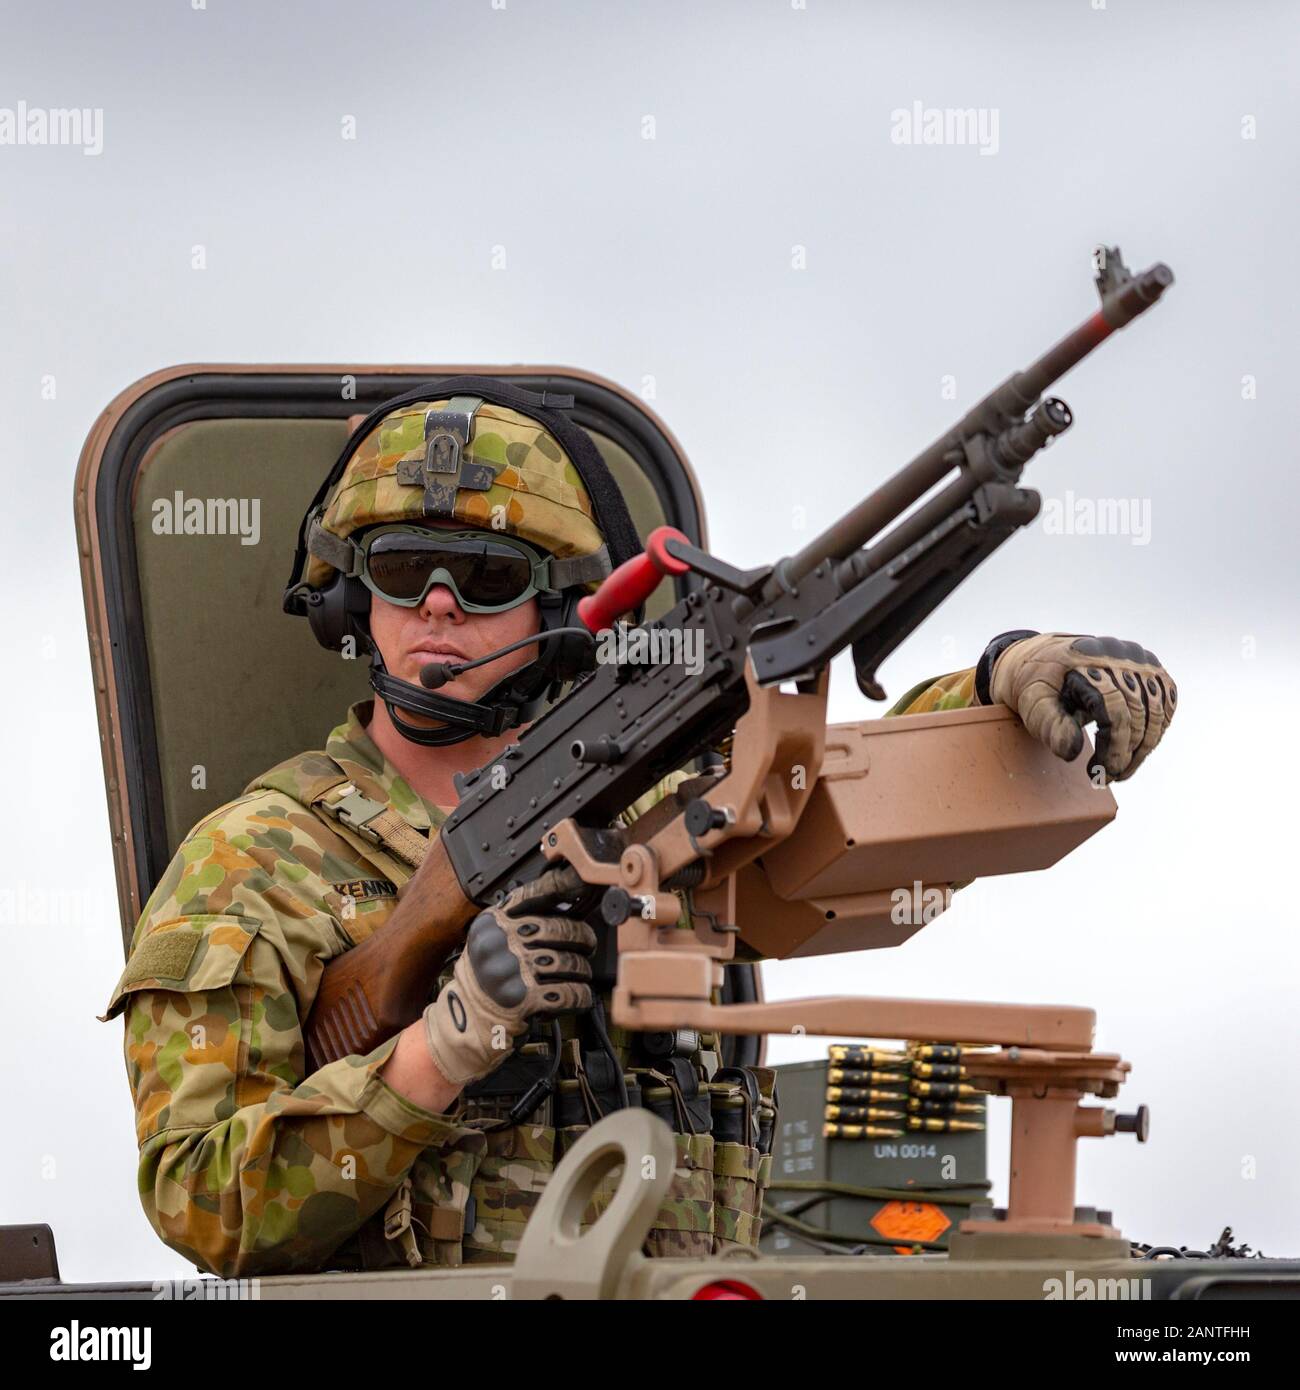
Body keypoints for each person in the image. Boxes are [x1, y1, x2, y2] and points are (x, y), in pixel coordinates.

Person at [105, 383, 1176, 1276]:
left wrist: (1004, 685)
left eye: (484, 579)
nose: (437, 608)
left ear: (558, 609)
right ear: (350, 603)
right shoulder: (254, 856)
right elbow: (204, 1200)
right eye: (398, 572)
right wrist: (437, 1051)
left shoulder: (653, 810)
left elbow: (839, 796)